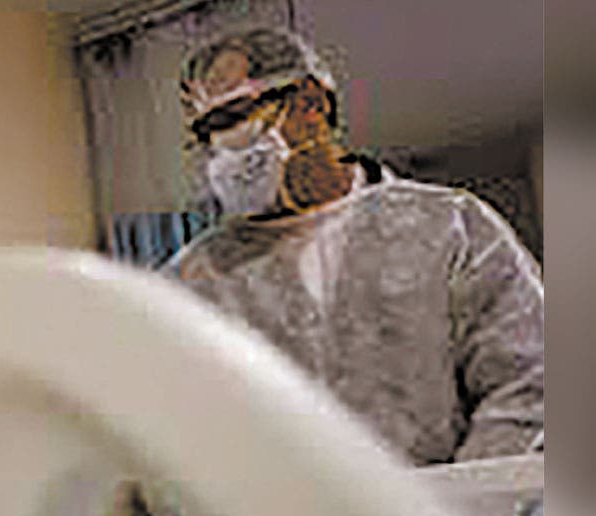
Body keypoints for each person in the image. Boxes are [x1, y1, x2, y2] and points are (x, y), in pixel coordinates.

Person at [159, 27, 543, 466]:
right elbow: (172, 438)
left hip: (455, 508)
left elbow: (530, 381)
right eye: (204, 133)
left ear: (310, 103)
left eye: (233, 117)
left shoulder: (451, 228)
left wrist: (459, 500)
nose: (219, 150)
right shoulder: (192, 282)